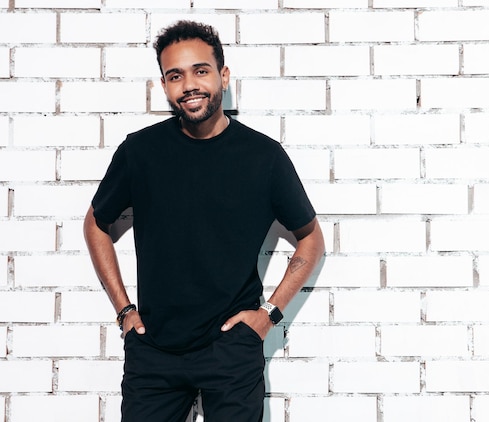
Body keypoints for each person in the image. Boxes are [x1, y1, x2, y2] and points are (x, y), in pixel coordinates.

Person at [83, 20, 325, 422]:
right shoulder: (140, 151)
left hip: (231, 349)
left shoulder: (263, 157)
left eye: (201, 70)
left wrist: (269, 315)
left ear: (223, 76)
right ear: (165, 86)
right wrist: (125, 311)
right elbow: (95, 223)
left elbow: (311, 238)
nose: (189, 84)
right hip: (153, 349)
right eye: (175, 75)